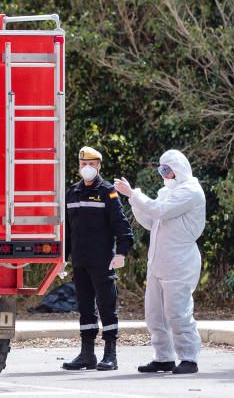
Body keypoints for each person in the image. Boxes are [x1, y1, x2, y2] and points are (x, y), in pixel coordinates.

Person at [113, 149, 206, 375]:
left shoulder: (190, 191)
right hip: (158, 261)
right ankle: (163, 358)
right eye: (161, 169)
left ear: (179, 169)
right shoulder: (167, 192)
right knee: (155, 315)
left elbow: (159, 211)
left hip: (179, 262)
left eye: (167, 170)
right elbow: (150, 220)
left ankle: (189, 358)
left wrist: (134, 195)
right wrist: (134, 200)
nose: (164, 174)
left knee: (178, 313)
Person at [62, 146, 134, 372]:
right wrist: (62, 258)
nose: (87, 168)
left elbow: (122, 226)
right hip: (80, 261)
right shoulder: (72, 192)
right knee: (85, 307)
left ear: (99, 166)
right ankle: (87, 354)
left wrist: (121, 252)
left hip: (102, 261)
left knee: (106, 307)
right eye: (84, 164)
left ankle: (110, 354)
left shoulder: (108, 192)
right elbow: (66, 231)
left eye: (92, 164)